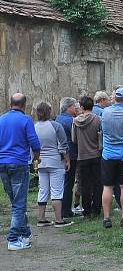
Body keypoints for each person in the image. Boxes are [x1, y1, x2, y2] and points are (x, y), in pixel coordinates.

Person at [0, 93, 41, 250]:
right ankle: (13, 239)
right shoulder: (26, 120)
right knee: (19, 204)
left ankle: (25, 233)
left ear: (11, 104)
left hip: (2, 164)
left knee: (15, 201)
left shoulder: (1, 119)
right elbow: (34, 142)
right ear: (24, 105)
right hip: (18, 163)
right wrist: (37, 157)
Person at [33, 102, 72, 228]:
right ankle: (59, 220)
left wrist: (35, 160)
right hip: (55, 161)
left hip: (41, 162)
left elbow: (32, 146)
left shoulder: (34, 127)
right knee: (57, 191)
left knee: (43, 190)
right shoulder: (56, 126)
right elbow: (63, 145)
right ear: (49, 111)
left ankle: (41, 218)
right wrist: (67, 160)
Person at [100, 87, 123, 228]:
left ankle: (107, 217)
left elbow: (102, 130)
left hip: (108, 154)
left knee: (107, 186)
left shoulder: (105, 112)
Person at [72, 96, 102, 218]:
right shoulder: (97, 119)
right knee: (97, 183)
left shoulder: (75, 121)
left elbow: (74, 139)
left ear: (82, 107)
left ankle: (87, 210)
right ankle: (96, 208)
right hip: (95, 154)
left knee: (85, 184)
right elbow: (100, 136)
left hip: (82, 155)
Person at [56, 97, 80, 218]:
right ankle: (66, 210)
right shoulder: (71, 121)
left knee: (61, 183)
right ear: (69, 107)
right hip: (71, 154)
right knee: (68, 183)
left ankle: (62, 208)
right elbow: (75, 138)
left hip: (59, 153)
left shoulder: (58, 119)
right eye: (74, 106)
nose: (76, 108)